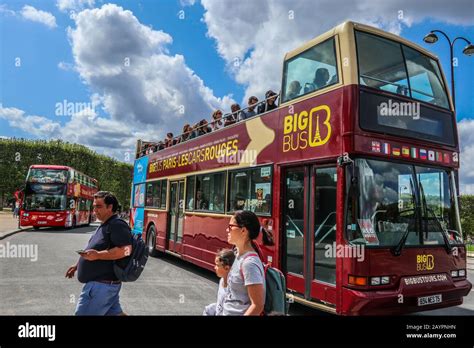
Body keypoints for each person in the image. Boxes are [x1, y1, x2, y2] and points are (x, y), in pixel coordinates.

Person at [65, 191, 132, 316]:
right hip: (105, 287)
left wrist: (98, 255)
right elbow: (93, 250)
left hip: (101, 287)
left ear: (110, 207)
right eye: (94, 206)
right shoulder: (104, 225)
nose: (94, 210)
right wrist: (77, 265)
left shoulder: (117, 225)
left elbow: (126, 250)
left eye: (99, 206)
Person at [222, 210, 274, 315]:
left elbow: (257, 306)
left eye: (231, 226)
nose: (227, 230)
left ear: (243, 230)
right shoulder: (238, 255)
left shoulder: (249, 264)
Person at [203, 249, 236, 316]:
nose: (214, 267)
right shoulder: (221, 281)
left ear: (227, 268)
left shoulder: (234, 287)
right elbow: (220, 305)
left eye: (217, 265)